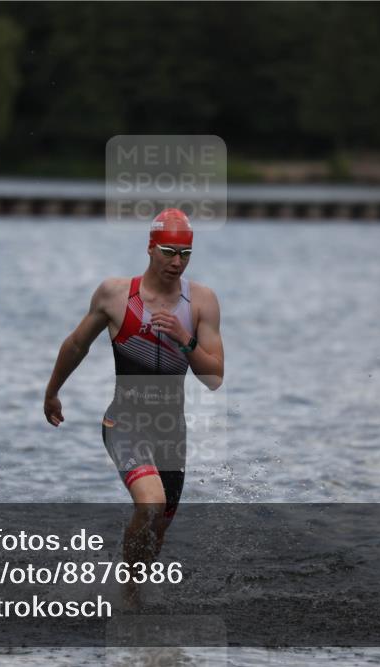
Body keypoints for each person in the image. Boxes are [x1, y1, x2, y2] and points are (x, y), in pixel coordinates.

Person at [44, 208, 224, 604]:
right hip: (124, 422)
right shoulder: (115, 295)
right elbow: (77, 344)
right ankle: (125, 599)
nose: (177, 262)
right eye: (168, 251)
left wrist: (185, 340)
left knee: (156, 531)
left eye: (185, 253)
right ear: (149, 247)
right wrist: (53, 390)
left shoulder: (202, 303)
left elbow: (214, 378)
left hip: (171, 434)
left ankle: (134, 594)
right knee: (151, 503)